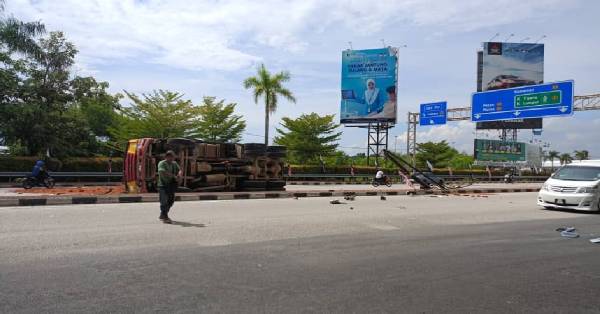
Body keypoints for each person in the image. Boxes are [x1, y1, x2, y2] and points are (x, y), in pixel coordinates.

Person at [157, 150, 182, 223]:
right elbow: (162, 171)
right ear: (166, 157)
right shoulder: (162, 163)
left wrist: (179, 175)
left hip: (171, 185)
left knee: (171, 201)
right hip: (163, 185)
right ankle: (165, 217)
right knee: (164, 201)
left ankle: (163, 214)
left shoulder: (174, 163)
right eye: (170, 157)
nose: (171, 159)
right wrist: (174, 176)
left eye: (173, 157)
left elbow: (179, 170)